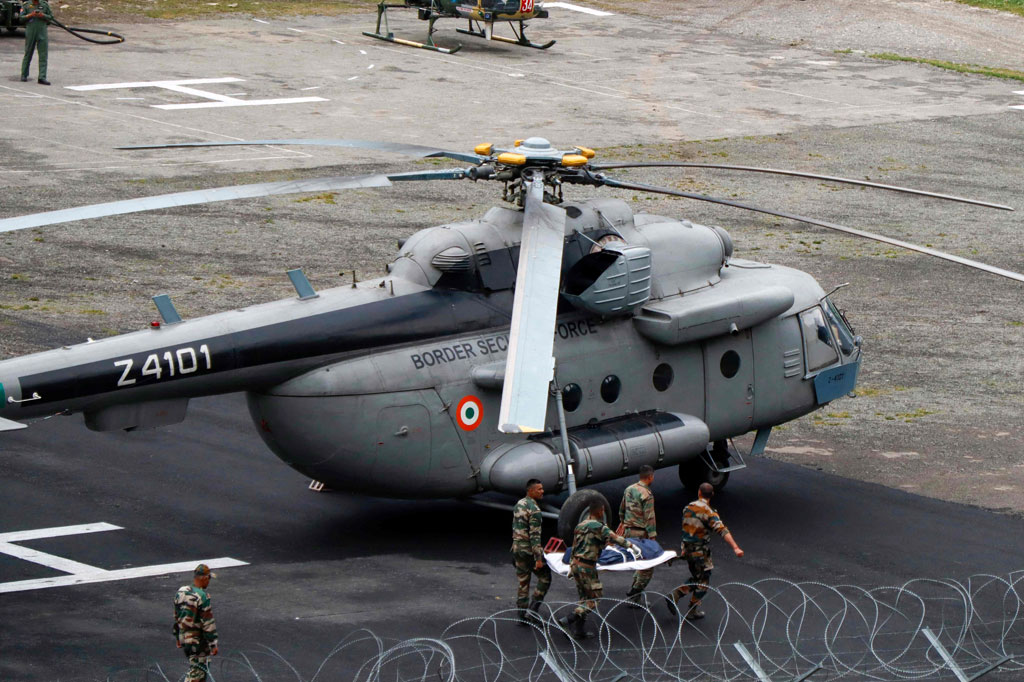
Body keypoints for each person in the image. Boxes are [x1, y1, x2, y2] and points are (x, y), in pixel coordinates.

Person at [560, 499, 637, 638]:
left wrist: (572, 565)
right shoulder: (600, 527)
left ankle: (579, 631)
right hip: (587, 567)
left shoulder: (580, 526)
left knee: (584, 598)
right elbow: (616, 538)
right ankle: (568, 620)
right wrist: (631, 546)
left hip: (576, 564)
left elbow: (574, 546)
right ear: (600, 511)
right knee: (594, 599)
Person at [667, 482, 743, 620]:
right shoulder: (709, 512)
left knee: (697, 577)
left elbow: (686, 528)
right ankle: (688, 607)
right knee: (703, 582)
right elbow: (722, 530)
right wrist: (735, 547)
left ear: (699, 492)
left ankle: (677, 596)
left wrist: (683, 548)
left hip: (687, 549)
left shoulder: (688, 507)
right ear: (712, 494)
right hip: (700, 552)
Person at [510, 478, 551, 624]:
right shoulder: (535, 510)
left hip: (517, 548)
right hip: (528, 551)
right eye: (539, 489)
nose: (542, 491)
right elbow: (535, 536)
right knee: (545, 578)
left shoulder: (519, 504)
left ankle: (521, 615)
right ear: (531, 491)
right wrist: (538, 559)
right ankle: (533, 611)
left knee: (523, 582)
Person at [617, 464, 657, 603]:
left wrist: (624, 523)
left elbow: (621, 510)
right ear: (650, 477)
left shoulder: (629, 489)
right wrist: (652, 537)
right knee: (648, 565)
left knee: (639, 562)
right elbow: (649, 517)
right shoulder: (647, 494)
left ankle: (635, 597)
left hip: (629, 532)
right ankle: (636, 589)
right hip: (641, 534)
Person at [173, 564, 219, 682]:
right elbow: (208, 623)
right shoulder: (202, 597)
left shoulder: (181, 592)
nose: (209, 581)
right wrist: (213, 644)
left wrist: (177, 636)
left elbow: (177, 616)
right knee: (197, 673)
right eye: (209, 578)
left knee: (198, 669)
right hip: (197, 641)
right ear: (204, 578)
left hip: (184, 638)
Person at [19, 0, 52, 85]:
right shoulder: (26, 5)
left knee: (43, 55)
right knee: (28, 53)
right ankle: (24, 74)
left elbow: (51, 18)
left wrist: (43, 15)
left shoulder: (44, 5)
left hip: (42, 32)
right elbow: (21, 18)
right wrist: (30, 15)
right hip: (31, 31)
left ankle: (42, 77)